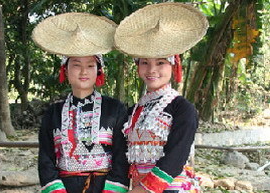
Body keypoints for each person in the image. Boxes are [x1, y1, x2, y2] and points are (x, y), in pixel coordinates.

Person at [113, 2, 209, 193]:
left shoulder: (182, 108)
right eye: (145, 62)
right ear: (137, 66)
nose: (152, 70)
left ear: (174, 66)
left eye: (160, 62)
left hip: (172, 188)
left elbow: (177, 154)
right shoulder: (132, 112)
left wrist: (143, 189)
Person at [32, 12, 129, 193]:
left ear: (98, 71)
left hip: (105, 187)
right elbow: (46, 159)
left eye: (90, 65)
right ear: (65, 70)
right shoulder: (53, 112)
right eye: (76, 64)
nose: (83, 71)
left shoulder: (115, 109)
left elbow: (121, 157)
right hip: (64, 188)